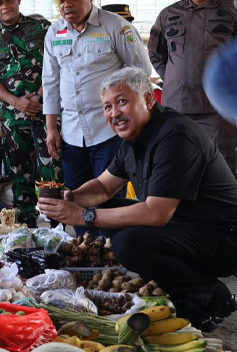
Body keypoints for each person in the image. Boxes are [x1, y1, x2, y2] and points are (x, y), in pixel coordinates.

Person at [38, 67, 237, 332]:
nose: (114, 113)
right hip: (186, 226)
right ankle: (191, 287)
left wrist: (81, 216)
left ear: (148, 100)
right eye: (107, 106)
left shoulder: (174, 136)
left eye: (122, 102)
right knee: (103, 209)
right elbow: (102, 187)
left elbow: (157, 213)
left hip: (223, 237)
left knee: (129, 244)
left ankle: (206, 296)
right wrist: (73, 197)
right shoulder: (134, 136)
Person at [41, 0, 153, 235]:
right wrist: (52, 128)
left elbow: (142, 72)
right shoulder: (54, 33)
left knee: (109, 197)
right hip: (70, 133)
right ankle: (86, 254)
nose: (66, 4)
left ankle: (114, 255)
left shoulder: (116, 26)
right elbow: (50, 83)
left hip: (110, 130)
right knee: (76, 198)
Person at [148, 0, 237, 173]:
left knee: (220, 169)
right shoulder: (169, 14)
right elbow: (156, 53)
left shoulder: (231, 11)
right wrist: (176, 79)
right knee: (175, 166)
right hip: (177, 106)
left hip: (218, 110)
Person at [0, 0, 63, 227]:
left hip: (46, 111)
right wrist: (17, 102)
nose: (5, 6)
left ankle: (57, 224)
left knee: (52, 166)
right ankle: (26, 227)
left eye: (8, 0)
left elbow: (57, 64)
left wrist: (38, 97)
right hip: (12, 116)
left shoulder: (42, 27)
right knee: (19, 171)